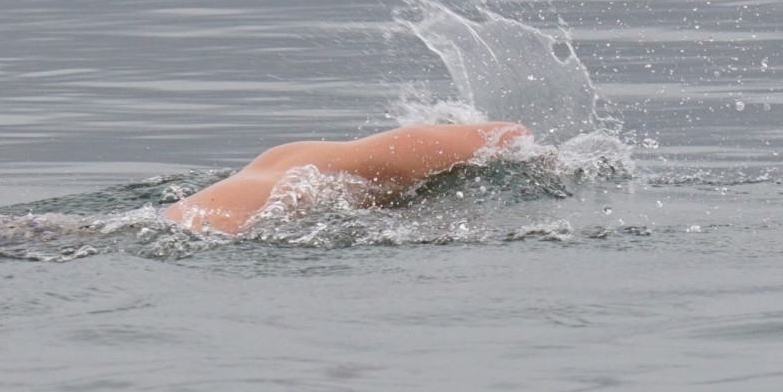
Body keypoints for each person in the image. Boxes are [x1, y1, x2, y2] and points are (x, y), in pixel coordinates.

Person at [163, 121, 530, 234]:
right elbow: (511, 135)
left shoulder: (293, 158)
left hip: (179, 216)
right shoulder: (405, 151)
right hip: (225, 226)